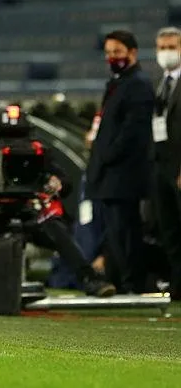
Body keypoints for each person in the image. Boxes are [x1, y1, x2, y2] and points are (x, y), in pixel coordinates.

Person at [0, 105, 116, 297]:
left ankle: (90, 279)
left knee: (60, 233)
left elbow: (65, 183)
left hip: (33, 211)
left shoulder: (40, 153)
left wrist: (57, 183)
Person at [85, 29, 155, 294]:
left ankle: (132, 284)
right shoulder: (118, 83)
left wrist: (107, 154)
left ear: (132, 52)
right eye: (108, 53)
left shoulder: (138, 84)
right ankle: (121, 281)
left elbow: (133, 131)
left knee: (126, 232)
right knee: (115, 232)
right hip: (111, 174)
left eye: (117, 52)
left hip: (124, 174)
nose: (112, 57)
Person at [152, 26, 181, 300]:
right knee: (169, 228)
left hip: (179, 167)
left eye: (172, 47)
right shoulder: (162, 83)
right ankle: (178, 284)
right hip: (162, 167)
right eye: (162, 48)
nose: (166, 52)